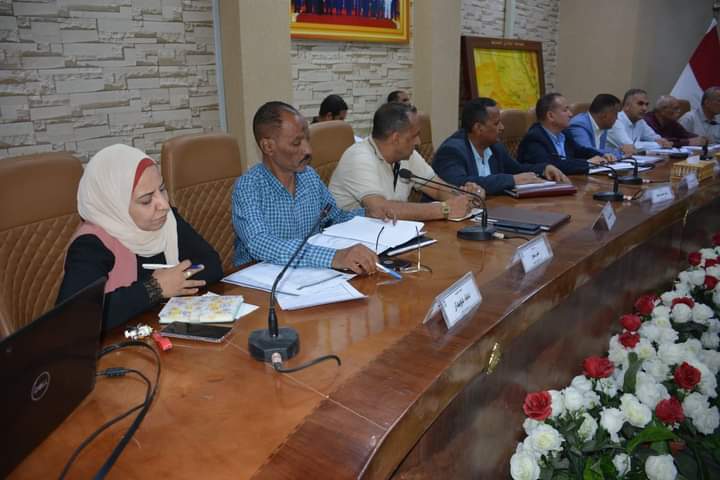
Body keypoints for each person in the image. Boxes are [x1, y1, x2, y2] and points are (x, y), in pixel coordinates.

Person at [57, 144, 223, 331]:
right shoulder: (91, 245)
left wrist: (177, 279)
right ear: (116, 204)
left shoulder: (167, 220)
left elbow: (211, 264)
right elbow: (74, 318)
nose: (163, 204)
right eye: (146, 200)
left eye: (162, 189)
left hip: (160, 330)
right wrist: (154, 288)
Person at [233, 101, 380, 275]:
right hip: (259, 281)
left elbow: (335, 217)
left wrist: (369, 213)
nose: (308, 150)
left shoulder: (308, 175)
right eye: (296, 143)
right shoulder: (248, 186)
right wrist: (334, 257)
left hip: (309, 274)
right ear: (268, 146)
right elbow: (260, 243)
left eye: (307, 139)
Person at [329, 102, 482, 220]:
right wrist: (445, 209)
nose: (419, 142)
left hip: (388, 236)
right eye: (414, 135)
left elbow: (437, 188)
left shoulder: (407, 155)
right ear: (396, 138)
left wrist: (466, 197)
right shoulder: (359, 158)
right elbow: (380, 209)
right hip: (351, 242)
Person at [432, 97, 568, 195]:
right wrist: (511, 180)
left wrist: (543, 169)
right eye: (496, 124)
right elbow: (457, 183)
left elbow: (516, 170)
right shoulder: (452, 150)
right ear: (478, 128)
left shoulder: (495, 147)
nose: (502, 128)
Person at [517, 93, 611, 175]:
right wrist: (588, 163)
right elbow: (552, 166)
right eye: (565, 110)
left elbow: (579, 151)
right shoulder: (534, 138)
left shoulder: (564, 133)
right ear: (550, 116)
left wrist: (601, 155)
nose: (570, 114)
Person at [607, 88, 673, 154]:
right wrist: (659, 145)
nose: (645, 108)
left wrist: (663, 142)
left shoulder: (640, 121)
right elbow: (629, 146)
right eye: (640, 104)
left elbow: (656, 138)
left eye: (646, 104)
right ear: (627, 106)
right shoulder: (615, 120)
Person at [565, 93, 622, 160]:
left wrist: (616, 152)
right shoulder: (578, 125)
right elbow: (588, 152)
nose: (617, 118)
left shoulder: (603, 125)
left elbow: (600, 151)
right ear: (604, 115)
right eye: (615, 114)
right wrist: (619, 151)